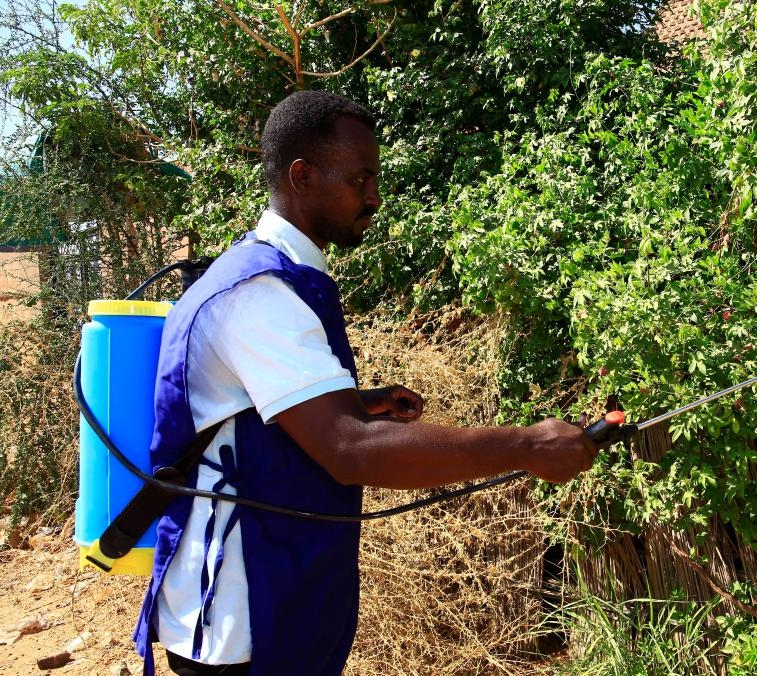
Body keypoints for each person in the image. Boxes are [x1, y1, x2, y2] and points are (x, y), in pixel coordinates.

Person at [132, 90, 597, 676]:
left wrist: (354, 401)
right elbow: (350, 450)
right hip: (238, 621)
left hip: (269, 598)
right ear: (302, 177)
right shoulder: (258, 297)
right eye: (360, 179)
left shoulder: (269, 274)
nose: (374, 197)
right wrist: (526, 446)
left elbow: (255, 411)